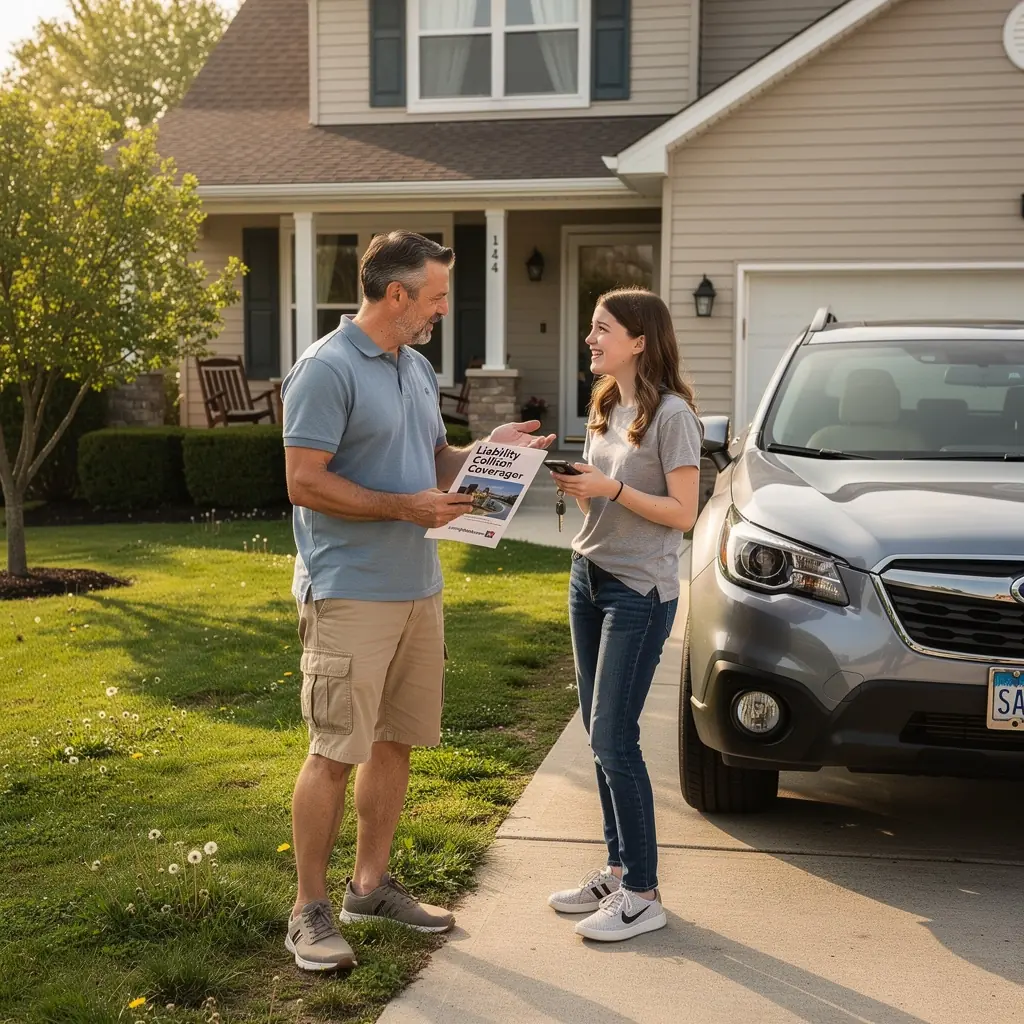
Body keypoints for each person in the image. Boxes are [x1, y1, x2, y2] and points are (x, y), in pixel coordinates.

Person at [281, 230, 554, 972]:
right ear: (396, 293)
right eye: (435, 296)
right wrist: (404, 508)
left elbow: (435, 461)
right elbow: (304, 480)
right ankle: (308, 911)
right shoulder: (326, 368)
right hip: (349, 591)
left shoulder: (415, 366)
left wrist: (491, 451)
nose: (442, 308)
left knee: (394, 742)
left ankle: (369, 888)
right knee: (334, 752)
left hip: (417, 588)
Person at [548, 287, 702, 943]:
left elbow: (683, 514)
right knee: (597, 729)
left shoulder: (674, 416)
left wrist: (609, 486)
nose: (591, 339)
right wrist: (580, 488)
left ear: (639, 341)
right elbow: (603, 508)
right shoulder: (606, 404)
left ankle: (644, 893)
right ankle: (616, 872)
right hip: (588, 575)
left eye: (602, 328)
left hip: (639, 591)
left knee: (615, 735)